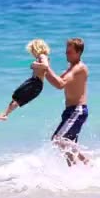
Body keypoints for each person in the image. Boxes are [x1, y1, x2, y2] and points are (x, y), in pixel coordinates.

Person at [31, 38, 90, 166]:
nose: (66, 54)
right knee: (67, 150)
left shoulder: (79, 68)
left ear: (78, 52)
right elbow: (57, 82)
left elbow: (60, 84)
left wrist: (46, 68)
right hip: (71, 112)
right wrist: (43, 70)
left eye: (69, 52)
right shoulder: (70, 69)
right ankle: (77, 176)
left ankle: (86, 160)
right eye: (66, 51)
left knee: (57, 139)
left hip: (77, 111)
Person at [0, 39, 50, 121]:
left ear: (37, 48)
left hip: (36, 83)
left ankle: (4, 114)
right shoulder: (40, 57)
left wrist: (35, 64)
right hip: (33, 82)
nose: (32, 53)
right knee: (16, 97)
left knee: (18, 98)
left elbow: (46, 66)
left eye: (32, 50)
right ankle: (4, 114)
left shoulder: (42, 56)